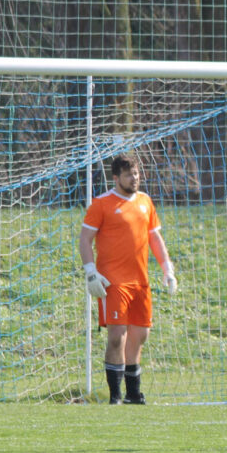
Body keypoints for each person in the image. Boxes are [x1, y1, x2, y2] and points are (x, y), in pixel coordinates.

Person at [79, 154, 178, 405]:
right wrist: (91, 271)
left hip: (140, 282)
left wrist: (167, 269)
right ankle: (115, 396)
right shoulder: (102, 204)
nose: (134, 179)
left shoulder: (145, 201)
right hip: (113, 282)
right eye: (128, 175)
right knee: (116, 337)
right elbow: (85, 239)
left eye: (136, 174)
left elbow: (154, 238)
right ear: (116, 178)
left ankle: (134, 394)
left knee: (140, 336)